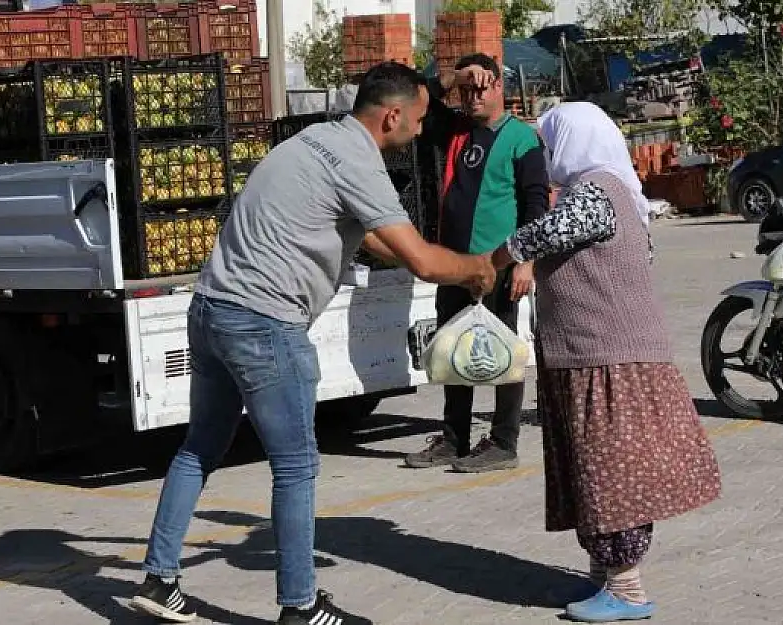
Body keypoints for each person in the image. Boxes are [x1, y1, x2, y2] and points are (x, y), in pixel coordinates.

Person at [127, 61, 496, 625]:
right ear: (392, 115)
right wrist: (474, 267)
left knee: (199, 448)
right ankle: (299, 607)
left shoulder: (316, 140)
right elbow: (421, 261)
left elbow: (376, 240)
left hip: (210, 310)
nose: (421, 132)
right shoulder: (359, 161)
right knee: (297, 466)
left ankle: (159, 580)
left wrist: (434, 260)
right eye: (419, 121)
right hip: (265, 324)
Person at [488, 101, 722, 622]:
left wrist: (498, 257)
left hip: (607, 358)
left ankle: (627, 589)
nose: (545, 153)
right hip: (589, 355)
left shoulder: (599, 189)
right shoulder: (607, 190)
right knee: (592, 466)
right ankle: (605, 575)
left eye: (550, 142)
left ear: (575, 140)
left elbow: (546, 235)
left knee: (611, 470)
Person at [404, 53, 551, 473]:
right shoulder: (455, 131)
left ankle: (503, 442)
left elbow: (536, 205)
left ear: (499, 86)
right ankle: (453, 439)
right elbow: (421, 97)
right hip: (453, 262)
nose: (471, 98)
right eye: (466, 90)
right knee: (452, 350)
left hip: (499, 264)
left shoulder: (521, 139)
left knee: (502, 353)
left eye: (480, 88)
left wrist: (526, 262)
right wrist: (450, 77)